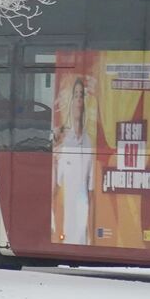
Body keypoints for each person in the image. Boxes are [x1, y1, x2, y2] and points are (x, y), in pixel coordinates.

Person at [52, 76, 95, 244]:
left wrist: (91, 234)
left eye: (81, 95)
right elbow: (55, 188)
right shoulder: (63, 141)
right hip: (67, 217)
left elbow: (91, 194)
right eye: (75, 95)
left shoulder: (89, 142)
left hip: (82, 215)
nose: (78, 99)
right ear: (71, 101)